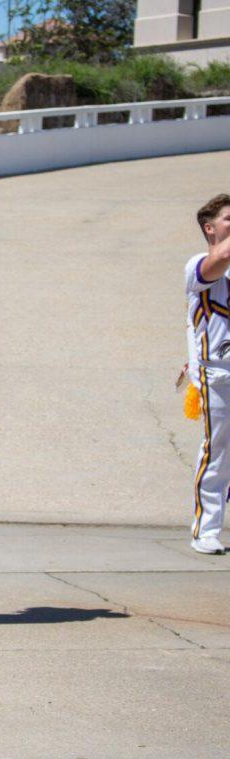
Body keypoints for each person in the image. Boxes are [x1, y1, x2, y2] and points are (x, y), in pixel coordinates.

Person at [184, 193, 230, 555]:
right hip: (220, 376)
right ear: (209, 228)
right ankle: (206, 530)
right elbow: (220, 259)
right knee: (216, 455)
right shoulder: (199, 264)